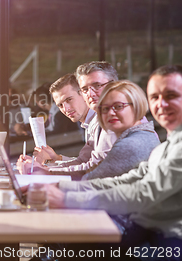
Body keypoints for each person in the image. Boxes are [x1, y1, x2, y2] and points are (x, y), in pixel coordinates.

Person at [35, 65, 182, 260]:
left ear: (137, 105)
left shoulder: (137, 142)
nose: (161, 104)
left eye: (171, 95)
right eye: (155, 97)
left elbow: (143, 192)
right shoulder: (165, 147)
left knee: (64, 246)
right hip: (148, 231)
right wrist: (59, 186)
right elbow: (128, 180)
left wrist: (65, 197)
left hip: (164, 242)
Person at [21, 62, 121, 179]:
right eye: (60, 105)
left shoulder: (108, 122)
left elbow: (93, 168)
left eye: (69, 100)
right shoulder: (93, 122)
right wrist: (56, 159)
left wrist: (46, 170)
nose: (66, 109)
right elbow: (85, 162)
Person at [79, 80, 158, 180]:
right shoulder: (145, 134)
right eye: (105, 108)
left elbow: (89, 182)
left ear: (136, 106)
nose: (111, 113)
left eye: (118, 106)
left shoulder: (129, 145)